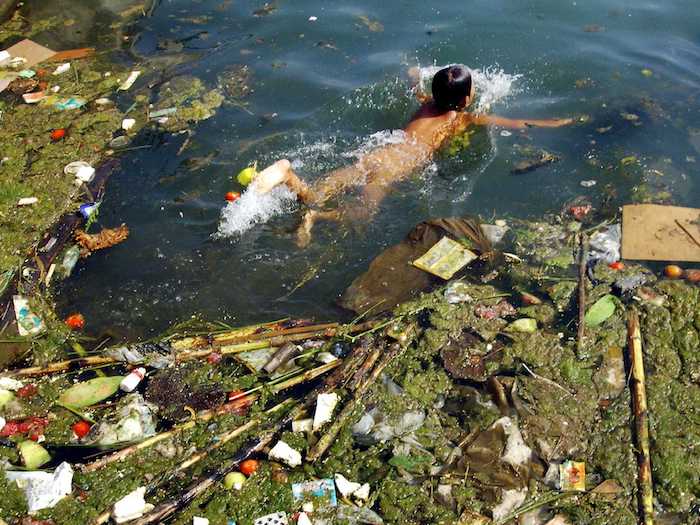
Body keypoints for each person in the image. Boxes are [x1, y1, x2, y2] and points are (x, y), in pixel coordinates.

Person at [251, 65, 572, 246]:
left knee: (319, 191)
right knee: (362, 215)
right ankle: (315, 217)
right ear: (466, 100)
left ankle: (288, 176)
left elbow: (414, 81)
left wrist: (413, 72)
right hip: (391, 171)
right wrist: (555, 123)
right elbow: (517, 123)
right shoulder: (461, 119)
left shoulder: (425, 103)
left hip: (376, 154)